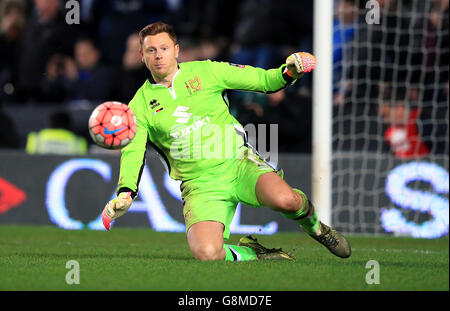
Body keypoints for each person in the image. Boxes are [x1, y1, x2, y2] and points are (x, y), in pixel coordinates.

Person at [101, 22, 351, 261]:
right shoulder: (139, 105)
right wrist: (125, 193)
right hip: (200, 186)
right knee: (207, 254)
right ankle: (255, 253)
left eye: (164, 48)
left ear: (177, 50)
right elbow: (133, 151)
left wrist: (289, 72)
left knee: (287, 201)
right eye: (151, 50)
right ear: (141, 55)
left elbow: (264, 81)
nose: (158, 56)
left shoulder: (207, 71)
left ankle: (317, 229)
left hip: (238, 164)